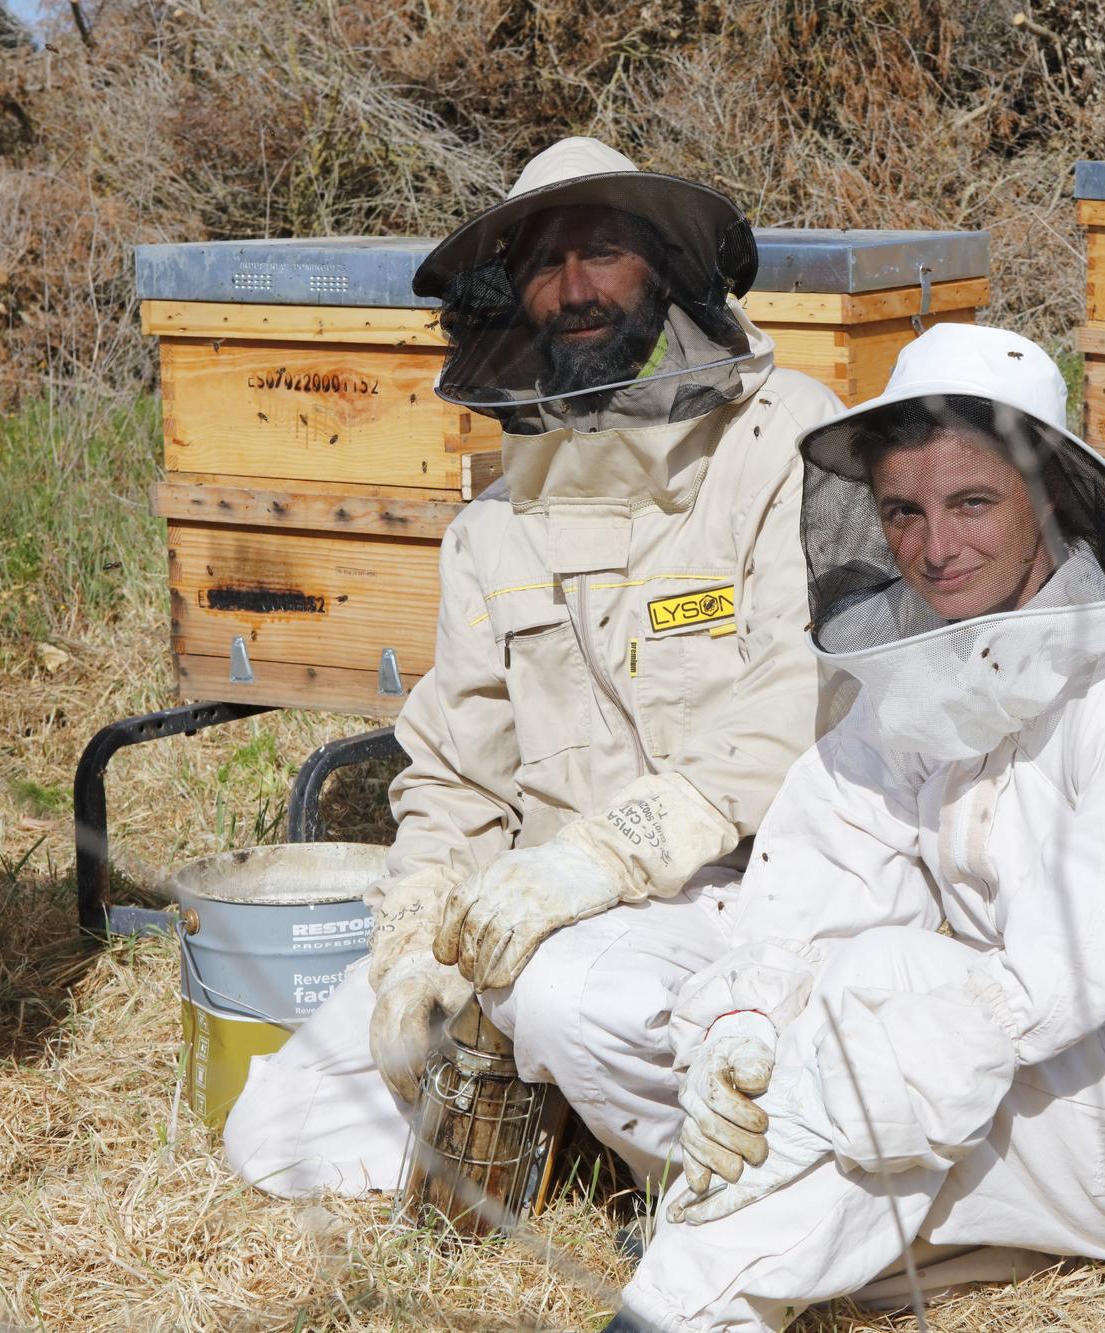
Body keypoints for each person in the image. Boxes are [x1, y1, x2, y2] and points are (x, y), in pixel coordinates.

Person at [602, 325, 1105, 1331]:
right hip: (1003, 1051)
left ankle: (680, 1303)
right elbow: (815, 874)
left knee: (877, 1087)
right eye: (901, 512)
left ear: (1045, 494)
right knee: (854, 1015)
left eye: (971, 503)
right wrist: (742, 1029)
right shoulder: (918, 678)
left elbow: (1060, 978)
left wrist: (830, 1094)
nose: (933, 548)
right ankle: (836, 1247)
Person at [223, 138, 843, 1196]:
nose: (574, 288)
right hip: (539, 908)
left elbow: (804, 698)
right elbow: (456, 769)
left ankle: (752, 1188)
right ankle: (577, 1113)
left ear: (664, 266)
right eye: (545, 265)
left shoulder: (784, 442)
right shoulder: (493, 521)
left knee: (569, 1003)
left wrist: (606, 856)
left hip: (750, 887)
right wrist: (415, 938)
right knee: (276, 1133)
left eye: (602, 252)